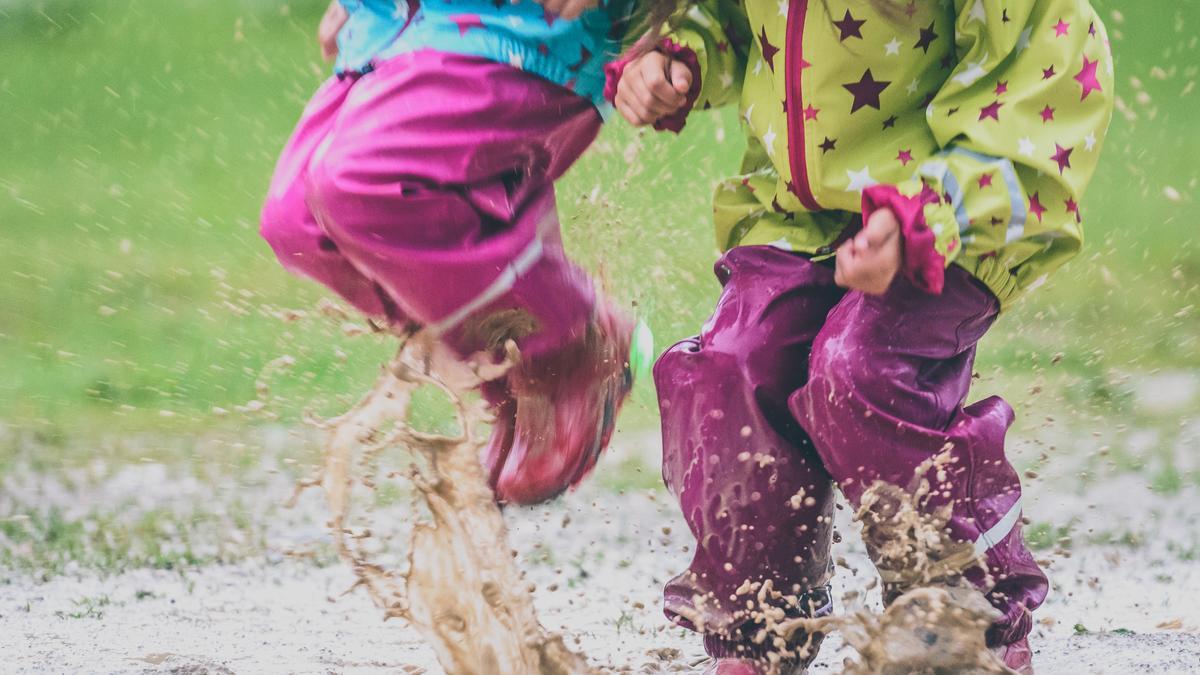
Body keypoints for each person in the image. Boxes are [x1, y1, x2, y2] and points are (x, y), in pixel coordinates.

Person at [609, 0, 1114, 671]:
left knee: (858, 368)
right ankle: (762, 616)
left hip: (950, 211)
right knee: (730, 370)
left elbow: (1040, 73)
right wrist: (677, 57)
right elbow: (731, 19)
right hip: (796, 214)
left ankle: (963, 607)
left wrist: (925, 215)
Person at [261, 0, 648, 505]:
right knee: (296, 223)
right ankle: (507, 365)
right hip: (393, 26)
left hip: (512, 30)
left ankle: (569, 340)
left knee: (359, 183)